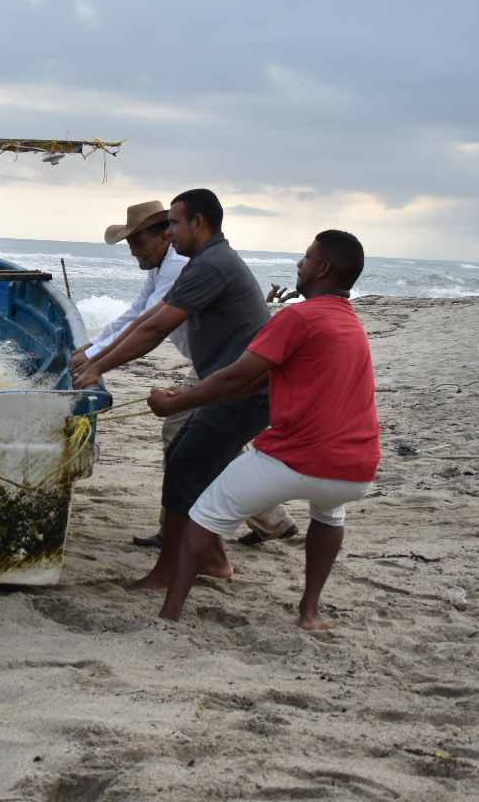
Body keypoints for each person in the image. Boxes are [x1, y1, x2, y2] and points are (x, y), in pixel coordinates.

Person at [149, 231, 380, 629]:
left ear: (323, 268)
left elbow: (237, 378)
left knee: (204, 511)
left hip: (296, 461)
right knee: (329, 514)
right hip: (355, 470)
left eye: (306, 258)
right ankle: (309, 612)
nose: (299, 264)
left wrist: (175, 403)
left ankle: (169, 615)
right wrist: (189, 393)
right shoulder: (352, 323)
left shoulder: (298, 315)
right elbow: (261, 379)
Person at [72, 189, 273, 592]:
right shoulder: (203, 261)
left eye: (175, 224)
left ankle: (166, 575)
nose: (171, 233)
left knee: (185, 466)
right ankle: (214, 558)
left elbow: (154, 327)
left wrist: (98, 365)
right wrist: (94, 356)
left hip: (245, 388)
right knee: (190, 459)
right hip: (230, 381)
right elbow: (144, 317)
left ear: (198, 223)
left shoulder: (207, 265)